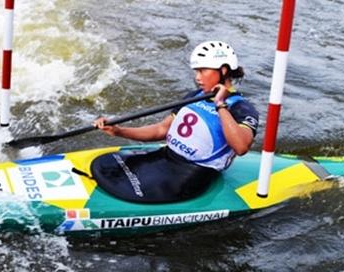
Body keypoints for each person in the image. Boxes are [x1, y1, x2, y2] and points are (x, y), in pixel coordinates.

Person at [91, 41, 259, 203]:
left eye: (202, 71)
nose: (197, 78)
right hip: (165, 157)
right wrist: (119, 131)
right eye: (196, 71)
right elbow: (161, 130)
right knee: (109, 171)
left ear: (223, 70)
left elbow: (241, 147)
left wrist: (220, 104)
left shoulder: (241, 108)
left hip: (191, 174)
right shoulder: (195, 95)